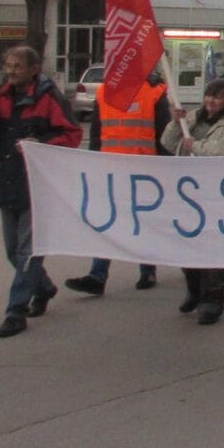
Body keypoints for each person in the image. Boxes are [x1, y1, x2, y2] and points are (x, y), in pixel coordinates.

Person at [0, 45, 82, 338]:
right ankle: (43, 287)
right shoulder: (0, 98)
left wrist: (40, 144)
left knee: (28, 251)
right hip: (8, 183)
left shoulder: (48, 99)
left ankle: (15, 311)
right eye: (8, 64)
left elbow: (71, 134)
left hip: (38, 186)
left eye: (17, 65)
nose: (11, 70)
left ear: (33, 69)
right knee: (12, 252)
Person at [63, 68, 172, 296]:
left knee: (143, 222)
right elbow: (97, 132)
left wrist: (166, 169)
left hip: (145, 170)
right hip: (111, 170)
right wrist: (94, 162)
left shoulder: (153, 91)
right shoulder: (104, 93)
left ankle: (147, 269)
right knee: (107, 221)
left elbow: (164, 134)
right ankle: (97, 276)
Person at [160, 78, 224, 324]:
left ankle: (212, 300)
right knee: (186, 245)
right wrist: (176, 124)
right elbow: (167, 143)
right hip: (186, 193)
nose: (211, 101)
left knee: (212, 248)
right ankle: (194, 290)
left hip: (215, 194)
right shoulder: (193, 118)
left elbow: (222, 150)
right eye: (209, 95)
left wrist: (194, 145)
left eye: (218, 97)